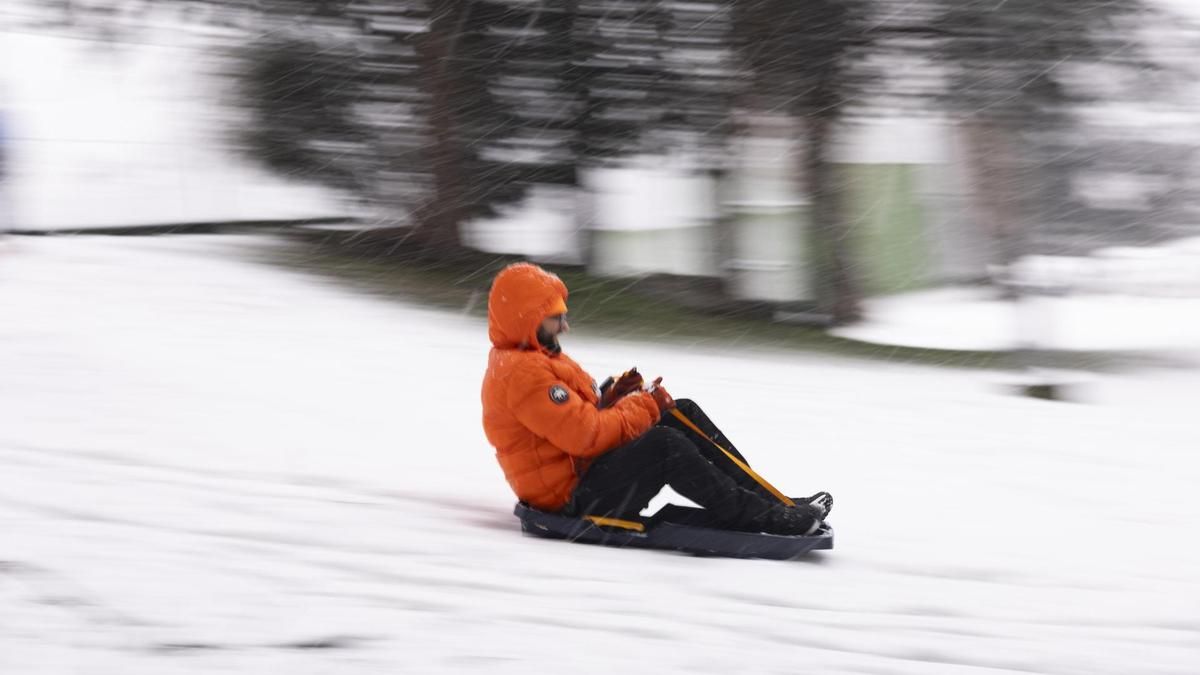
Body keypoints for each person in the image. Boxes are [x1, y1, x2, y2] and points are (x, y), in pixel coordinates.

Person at [481, 262, 832, 536]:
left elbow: (573, 421)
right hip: (572, 499)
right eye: (555, 319)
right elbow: (584, 436)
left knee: (681, 411)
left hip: (583, 474)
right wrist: (643, 405)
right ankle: (767, 518)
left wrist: (616, 395)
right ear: (528, 319)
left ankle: (774, 503)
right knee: (663, 444)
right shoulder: (523, 374)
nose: (565, 327)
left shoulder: (537, 357)